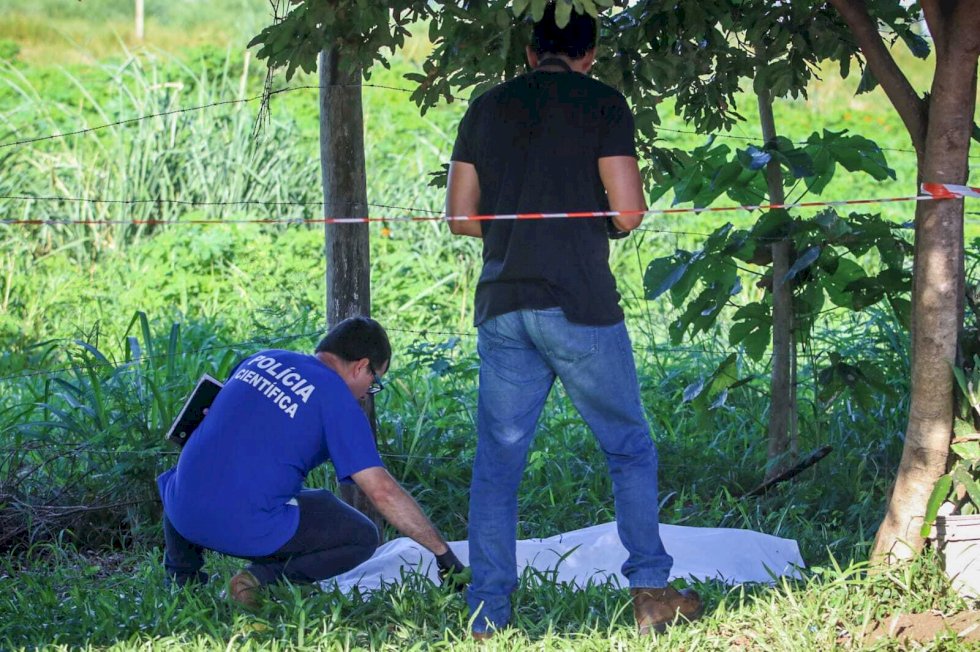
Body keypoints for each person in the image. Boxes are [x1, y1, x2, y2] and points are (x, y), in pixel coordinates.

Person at [445, 3, 703, 638]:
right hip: (579, 303)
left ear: (530, 52)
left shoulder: (485, 107)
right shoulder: (603, 102)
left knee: (498, 466)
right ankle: (651, 591)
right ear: (589, 56)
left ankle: (487, 614)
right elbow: (629, 212)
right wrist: (595, 224)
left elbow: (460, 217)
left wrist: (516, 237)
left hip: (503, 303)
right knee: (628, 449)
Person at [157, 317, 465, 607]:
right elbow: (381, 491)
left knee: (202, 472)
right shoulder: (337, 401)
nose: (366, 395)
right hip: (242, 525)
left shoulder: (262, 359)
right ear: (361, 366)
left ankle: (182, 584)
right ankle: (258, 580)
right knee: (361, 536)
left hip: (180, 510)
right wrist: (444, 555)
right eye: (374, 382)